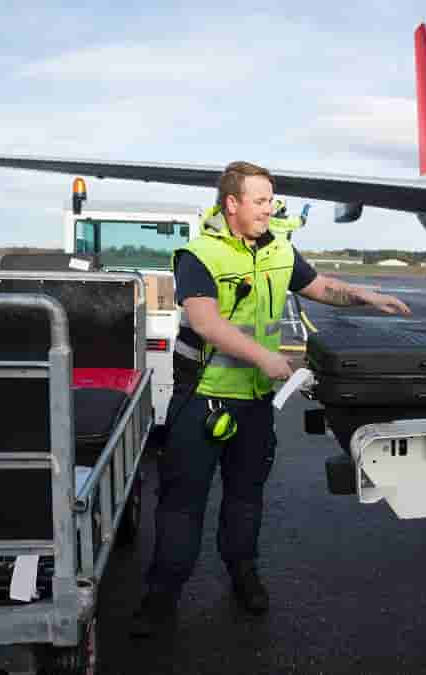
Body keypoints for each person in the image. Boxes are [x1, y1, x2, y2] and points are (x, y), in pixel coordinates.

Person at [130, 161, 410, 636]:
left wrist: (364, 294)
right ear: (232, 204)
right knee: (182, 504)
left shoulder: (281, 249)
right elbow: (205, 322)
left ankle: (243, 573)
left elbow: (321, 287)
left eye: (271, 200)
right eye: (260, 200)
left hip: (256, 403)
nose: (269, 208)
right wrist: (264, 356)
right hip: (202, 397)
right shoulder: (198, 255)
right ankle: (161, 599)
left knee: (245, 499)